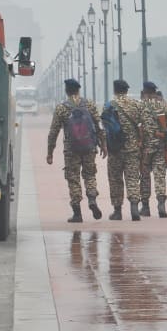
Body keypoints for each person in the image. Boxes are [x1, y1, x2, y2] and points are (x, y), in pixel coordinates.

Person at [47, 79, 107, 223]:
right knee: (90, 175)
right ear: (78, 90)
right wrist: (103, 145)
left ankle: (77, 213)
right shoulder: (89, 104)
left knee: (73, 178)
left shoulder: (62, 108)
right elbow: (99, 126)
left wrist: (50, 152)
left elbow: (53, 132)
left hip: (71, 149)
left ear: (67, 91)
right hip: (89, 147)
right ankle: (92, 199)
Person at [106, 79, 145, 221]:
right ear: (127, 90)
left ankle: (117, 211)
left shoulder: (109, 105)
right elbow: (143, 126)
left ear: (115, 90)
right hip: (132, 149)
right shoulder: (136, 104)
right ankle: (134, 207)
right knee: (132, 178)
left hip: (115, 149)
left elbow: (106, 127)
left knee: (115, 179)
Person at [139, 81, 167, 218]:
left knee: (145, 176)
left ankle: (145, 207)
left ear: (145, 92)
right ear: (154, 91)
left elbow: (137, 125)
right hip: (160, 145)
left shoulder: (140, 105)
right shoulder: (164, 105)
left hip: (145, 148)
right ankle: (161, 204)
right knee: (160, 176)